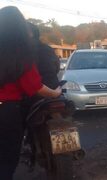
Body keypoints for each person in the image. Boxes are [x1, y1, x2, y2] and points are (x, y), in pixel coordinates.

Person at [0, 6, 61, 179]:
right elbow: (34, 87)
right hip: (7, 112)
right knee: (5, 161)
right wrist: (56, 94)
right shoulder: (20, 53)